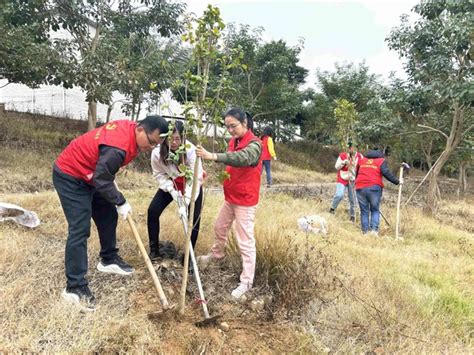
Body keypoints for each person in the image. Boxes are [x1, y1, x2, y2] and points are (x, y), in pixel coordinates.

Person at [52, 115, 169, 311]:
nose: (151, 147)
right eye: (151, 142)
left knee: (108, 215)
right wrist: (120, 200)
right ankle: (74, 287)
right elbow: (102, 177)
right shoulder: (118, 148)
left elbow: (103, 171)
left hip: (92, 174)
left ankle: (108, 259)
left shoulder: (130, 131)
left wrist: (111, 191)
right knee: (80, 229)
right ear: (139, 129)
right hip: (71, 175)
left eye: (157, 144)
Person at [196, 108, 262, 300]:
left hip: (245, 200)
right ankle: (217, 256)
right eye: (227, 127)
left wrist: (214, 156)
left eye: (233, 126)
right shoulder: (234, 141)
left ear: (245, 124)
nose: (230, 130)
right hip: (231, 197)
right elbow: (231, 163)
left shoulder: (255, 144)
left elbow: (242, 158)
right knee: (219, 227)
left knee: (245, 241)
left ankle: (246, 281)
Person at [147, 120, 204, 264]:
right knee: (153, 211)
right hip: (171, 184)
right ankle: (154, 251)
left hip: (191, 184)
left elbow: (196, 176)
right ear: (165, 137)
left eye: (178, 138)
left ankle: (188, 257)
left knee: (193, 219)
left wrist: (186, 201)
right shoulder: (156, 153)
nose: (174, 142)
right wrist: (172, 190)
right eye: (170, 138)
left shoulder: (190, 150)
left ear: (183, 138)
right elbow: (159, 174)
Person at [355, 147, 401, 236]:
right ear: (380, 154)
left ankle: (365, 232)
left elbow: (357, 173)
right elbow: (386, 173)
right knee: (374, 209)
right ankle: (374, 231)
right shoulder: (381, 161)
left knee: (364, 211)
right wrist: (397, 181)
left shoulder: (362, 160)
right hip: (374, 188)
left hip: (360, 187)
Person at [329, 144, 363, 222]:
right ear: (348, 148)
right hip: (342, 177)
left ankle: (352, 216)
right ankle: (332, 209)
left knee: (353, 199)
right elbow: (336, 167)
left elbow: (362, 167)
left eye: (354, 147)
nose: (352, 149)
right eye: (351, 147)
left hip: (353, 179)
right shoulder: (343, 155)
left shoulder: (360, 156)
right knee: (339, 194)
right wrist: (344, 162)